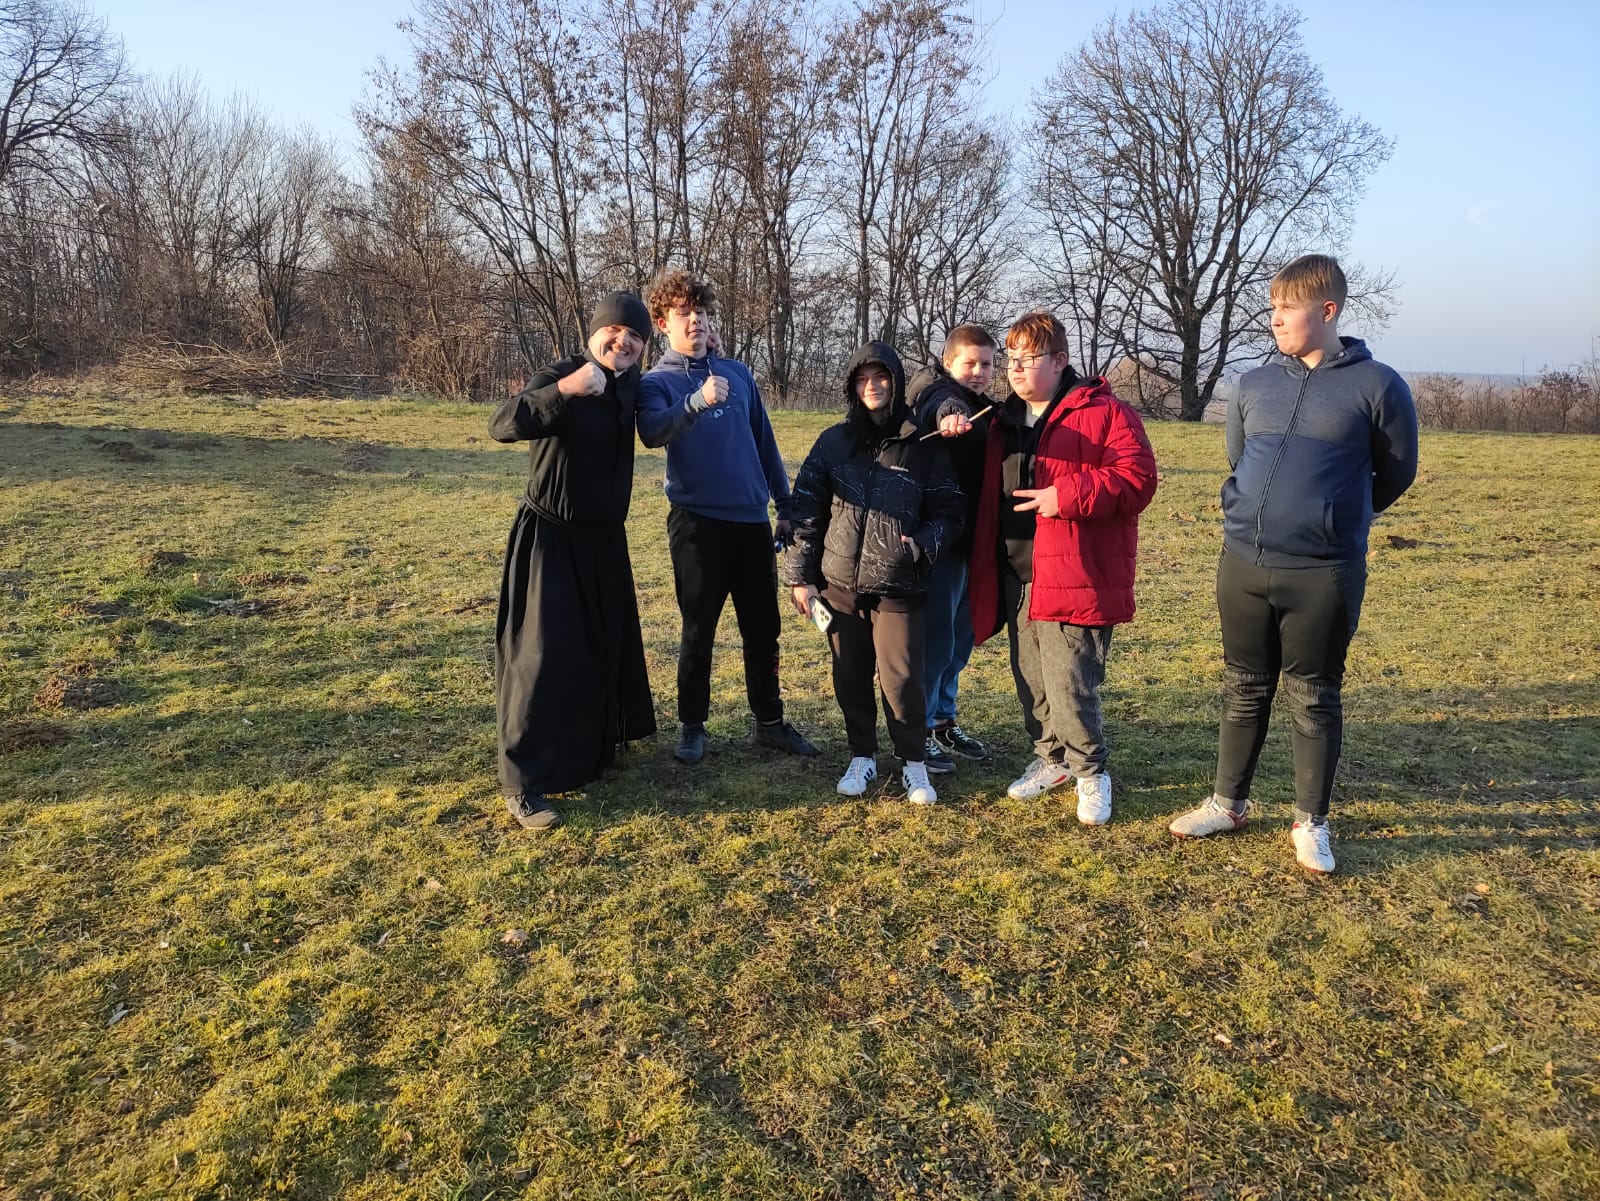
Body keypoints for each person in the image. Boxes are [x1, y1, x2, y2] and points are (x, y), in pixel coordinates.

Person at [1168, 254, 1418, 873]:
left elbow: (1396, 471)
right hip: (1243, 565)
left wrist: (1335, 517)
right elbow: (1239, 461)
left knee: (1313, 695)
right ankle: (1227, 804)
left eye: (1287, 308)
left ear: (1327, 311)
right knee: (1243, 686)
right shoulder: (1254, 384)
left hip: (1322, 573)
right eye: (1272, 307)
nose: (1274, 319)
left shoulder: (1378, 385)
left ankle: (1311, 823)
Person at [968, 312, 1158, 825]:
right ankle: (1051, 760)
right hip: (1017, 572)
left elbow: (1137, 478)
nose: (1015, 369)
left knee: (1070, 682)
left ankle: (1091, 773)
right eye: (1011, 359)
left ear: (1060, 361)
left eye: (1028, 359)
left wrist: (1066, 496)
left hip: (1074, 573)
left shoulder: (1105, 413)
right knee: (1032, 679)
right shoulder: (1002, 420)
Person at [488, 292, 658, 831]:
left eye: (635, 336)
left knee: (598, 650)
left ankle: (587, 756)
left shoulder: (631, 387)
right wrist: (564, 391)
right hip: (551, 537)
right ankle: (521, 783)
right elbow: (502, 424)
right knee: (538, 656)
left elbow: (667, 411)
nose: (623, 341)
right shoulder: (561, 374)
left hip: (605, 542)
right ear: (594, 333)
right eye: (615, 331)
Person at [635, 269, 818, 765]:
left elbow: (764, 441)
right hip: (696, 525)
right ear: (662, 323)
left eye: (701, 311)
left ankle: (770, 723)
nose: (695, 320)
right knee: (699, 628)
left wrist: (784, 505)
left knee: (763, 628)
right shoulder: (656, 382)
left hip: (751, 522)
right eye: (683, 313)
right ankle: (692, 725)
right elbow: (651, 432)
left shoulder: (736, 373)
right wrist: (696, 400)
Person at [782, 342, 965, 804]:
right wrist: (801, 577)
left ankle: (913, 763)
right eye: (862, 379)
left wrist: (921, 544)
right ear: (851, 385)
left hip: (900, 586)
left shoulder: (924, 444)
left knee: (902, 679)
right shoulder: (833, 442)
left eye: (880, 377)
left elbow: (950, 512)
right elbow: (806, 510)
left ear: (896, 381)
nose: (871, 386)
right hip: (839, 586)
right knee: (850, 675)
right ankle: (861, 755)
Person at [907, 324, 999, 773]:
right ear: (948, 363)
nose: (979, 372)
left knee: (962, 636)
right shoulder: (939, 391)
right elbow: (937, 402)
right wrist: (949, 417)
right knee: (937, 641)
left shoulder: (988, 407)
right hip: (941, 542)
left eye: (987, 364)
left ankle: (944, 719)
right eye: (970, 363)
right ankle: (919, 730)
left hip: (973, 543)